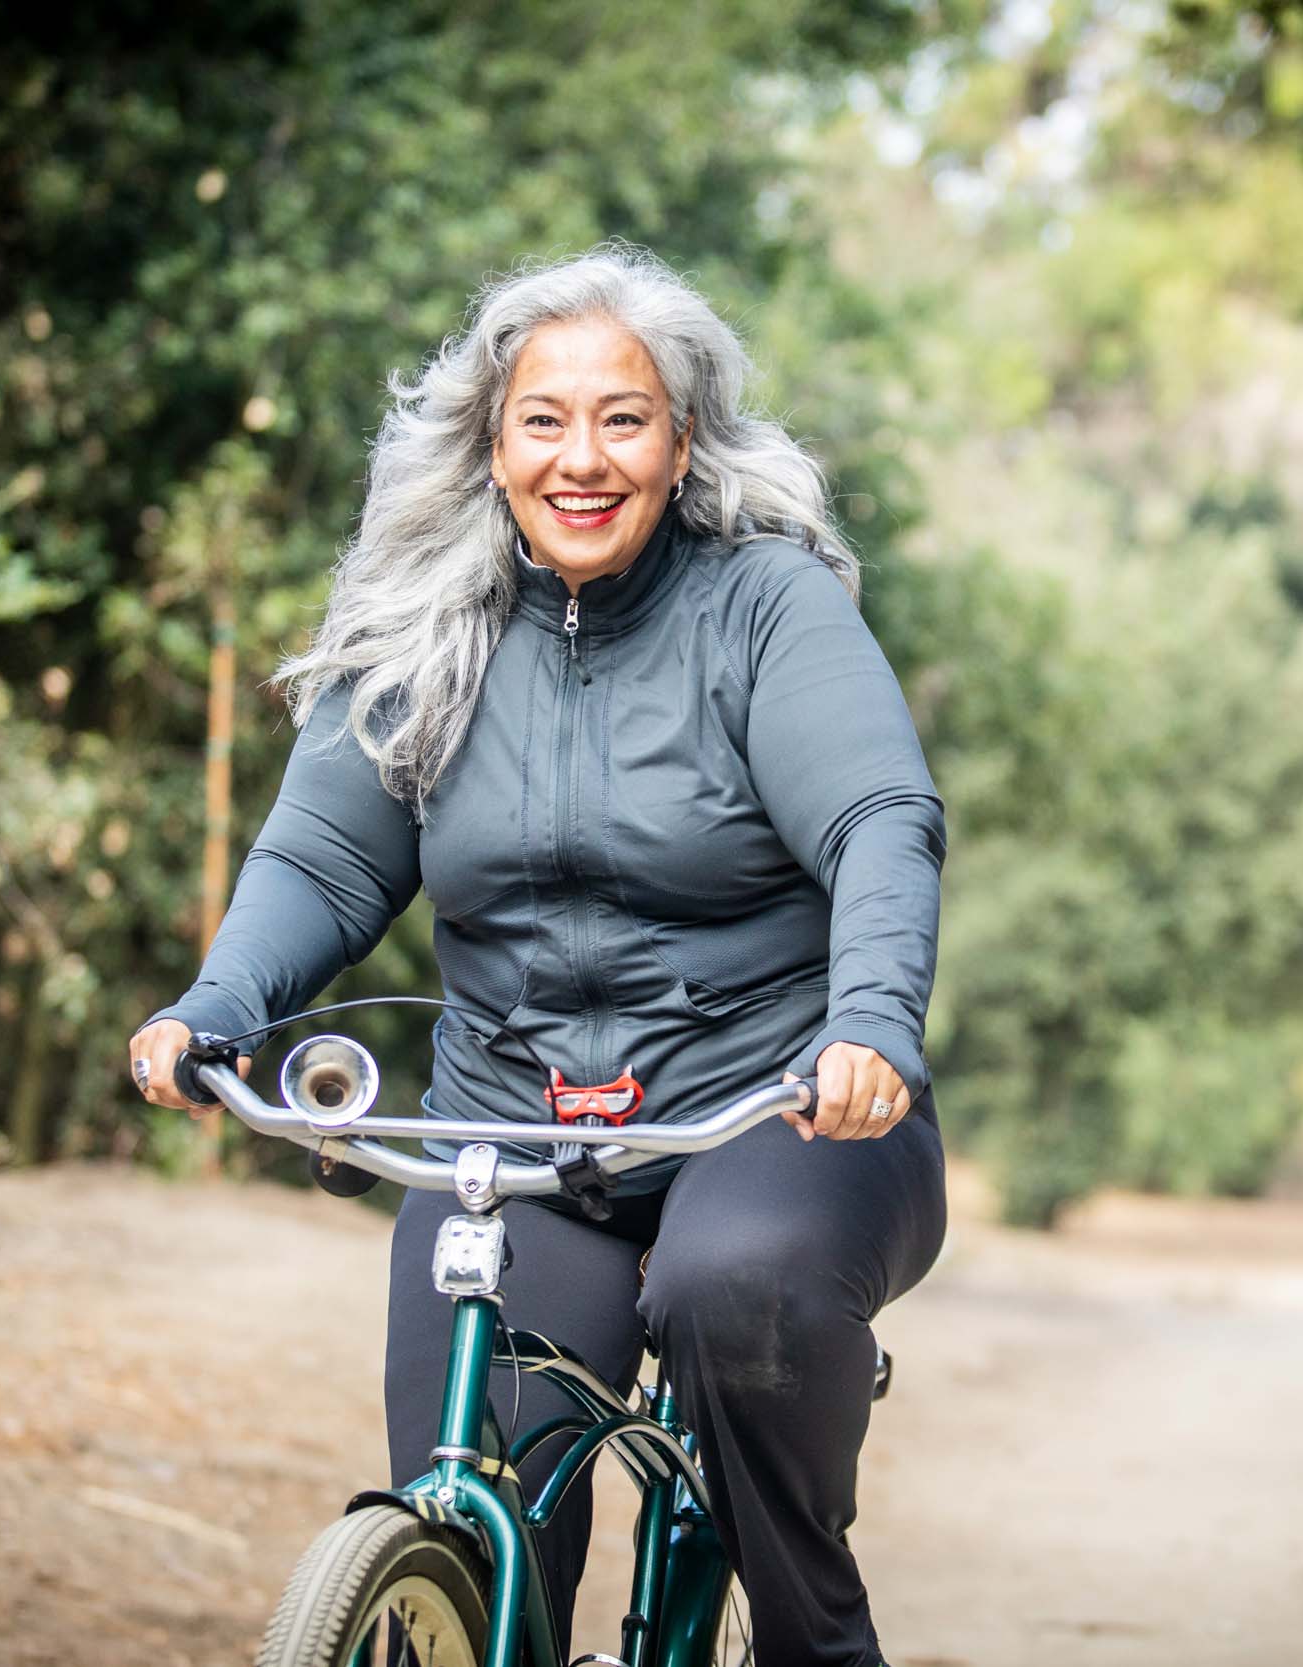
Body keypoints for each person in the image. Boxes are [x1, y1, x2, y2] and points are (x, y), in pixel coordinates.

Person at [127, 243, 945, 1667]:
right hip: (513, 1137)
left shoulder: (767, 608)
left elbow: (881, 818)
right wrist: (217, 1009)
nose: (584, 457)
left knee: (731, 1285)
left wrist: (870, 1023)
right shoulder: (425, 627)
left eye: (622, 418)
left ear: (681, 444)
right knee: (479, 1497)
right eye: (545, 420)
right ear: (492, 444)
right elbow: (325, 857)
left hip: (778, 1113)